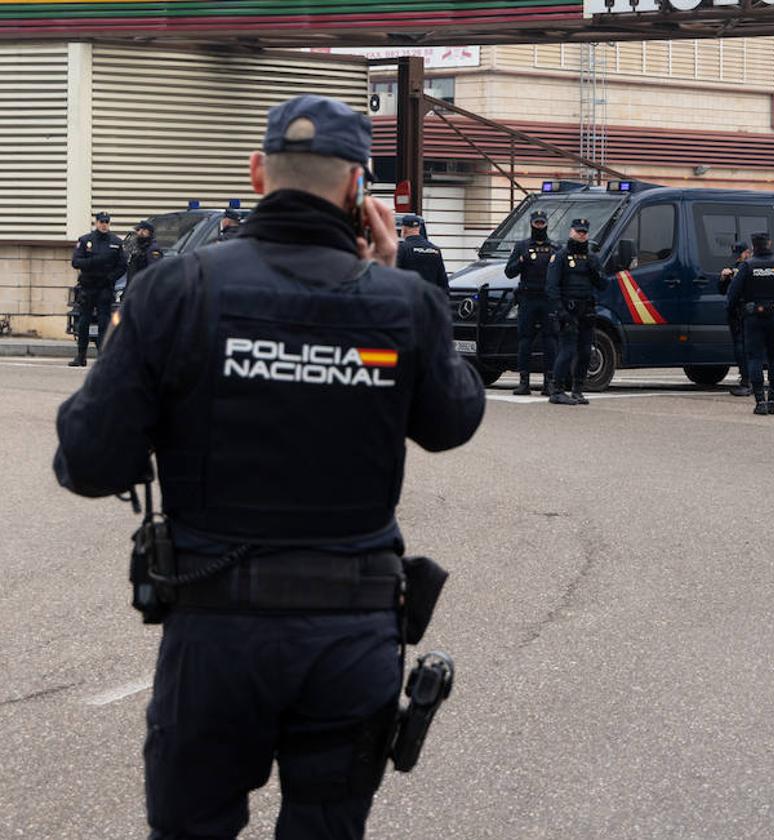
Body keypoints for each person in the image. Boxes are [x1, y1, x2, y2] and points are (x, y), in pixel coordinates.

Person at [53, 94, 486, 840]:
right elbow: (453, 422)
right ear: (358, 188)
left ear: (258, 174)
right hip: (350, 639)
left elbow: (89, 461)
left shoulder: (178, 291)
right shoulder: (402, 302)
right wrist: (393, 289)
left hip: (217, 635)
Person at [726, 232, 774, 416]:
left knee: (754, 358)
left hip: (753, 316)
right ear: (769, 243)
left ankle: (760, 401)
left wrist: (733, 311)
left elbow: (732, 295)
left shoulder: (747, 266)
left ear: (754, 247)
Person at [545, 218, 605, 406]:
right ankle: (557, 390)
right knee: (568, 351)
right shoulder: (560, 257)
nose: (581, 234)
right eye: (578, 231)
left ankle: (577, 390)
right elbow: (551, 287)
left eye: (584, 232)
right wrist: (560, 311)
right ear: (571, 232)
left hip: (586, 311)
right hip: (567, 312)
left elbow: (603, 285)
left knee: (586, 352)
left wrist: (596, 272)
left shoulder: (591, 258)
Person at [505, 209, 558, 396]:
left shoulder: (554, 248)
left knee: (549, 340)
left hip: (547, 300)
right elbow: (509, 272)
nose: (539, 226)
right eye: (536, 223)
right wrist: (520, 261)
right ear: (531, 224)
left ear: (546, 224)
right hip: (528, 298)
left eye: (542, 223)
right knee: (525, 340)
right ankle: (524, 382)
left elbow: (560, 274)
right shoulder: (522, 246)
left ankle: (549, 382)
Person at [69, 211, 126, 367]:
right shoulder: (86, 240)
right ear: (96, 223)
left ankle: (103, 356)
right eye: (101, 222)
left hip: (104, 288)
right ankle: (81, 356)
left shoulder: (116, 243)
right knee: (84, 322)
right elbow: (76, 262)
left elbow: (122, 265)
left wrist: (111, 278)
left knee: (104, 323)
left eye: (106, 222)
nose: (104, 225)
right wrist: (94, 262)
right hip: (88, 287)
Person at [718, 241, 753, 397]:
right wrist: (723, 279)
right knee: (740, 346)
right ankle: (746, 378)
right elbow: (723, 291)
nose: (738, 259)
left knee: (742, 346)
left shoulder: (749, 268)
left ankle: (747, 380)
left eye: (740, 256)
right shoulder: (737, 268)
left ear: (747, 253)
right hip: (735, 313)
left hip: (743, 313)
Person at [396, 214, 449, 292]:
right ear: (419, 228)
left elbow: (394, 276)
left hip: (409, 299)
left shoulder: (402, 249)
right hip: (429, 300)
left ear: (404, 229)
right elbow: (443, 281)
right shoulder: (435, 250)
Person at [125, 220, 163, 290]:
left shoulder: (152, 249)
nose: (137, 233)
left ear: (146, 231)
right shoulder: (140, 247)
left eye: (138, 230)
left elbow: (152, 272)